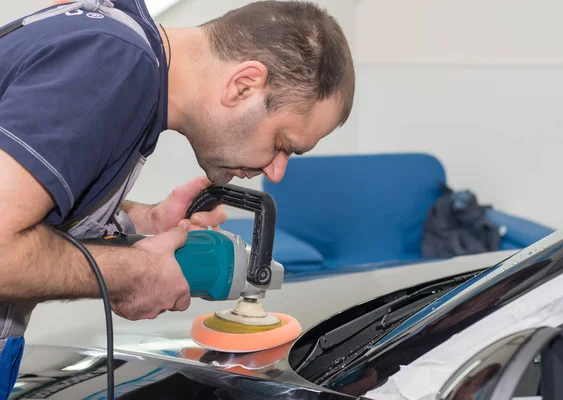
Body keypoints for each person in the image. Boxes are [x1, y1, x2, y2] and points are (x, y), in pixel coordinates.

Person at [0, 0, 355, 395]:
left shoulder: (110, 44)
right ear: (244, 85)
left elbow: (20, 208)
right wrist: (132, 274)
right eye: (282, 143)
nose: (277, 170)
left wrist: (138, 220)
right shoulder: (111, 62)